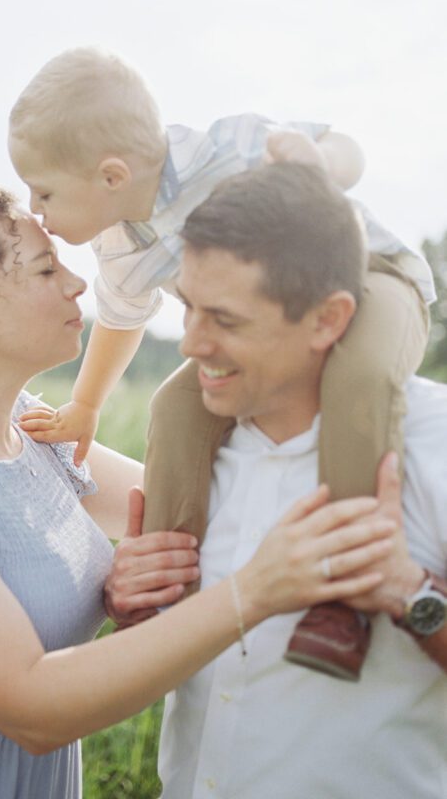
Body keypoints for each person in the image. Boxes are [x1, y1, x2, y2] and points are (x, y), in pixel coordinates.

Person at [0, 147, 395, 799]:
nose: (76, 283)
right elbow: (32, 708)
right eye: (44, 269)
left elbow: (193, 505)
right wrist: (252, 593)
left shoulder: (34, 433)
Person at [8, 46, 433, 678]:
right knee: (174, 408)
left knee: (360, 380)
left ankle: (343, 594)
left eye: (44, 192)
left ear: (112, 175)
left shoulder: (228, 150)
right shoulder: (121, 246)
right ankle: (166, 590)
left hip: (372, 281)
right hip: (259, 335)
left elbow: (346, 148)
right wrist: (87, 404)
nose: (36, 211)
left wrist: (319, 163)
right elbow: (123, 317)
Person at [106, 163, 447, 799]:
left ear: (327, 319)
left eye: (226, 321)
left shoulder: (437, 444)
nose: (190, 344)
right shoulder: (192, 454)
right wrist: (138, 605)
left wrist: (409, 593)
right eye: (188, 309)